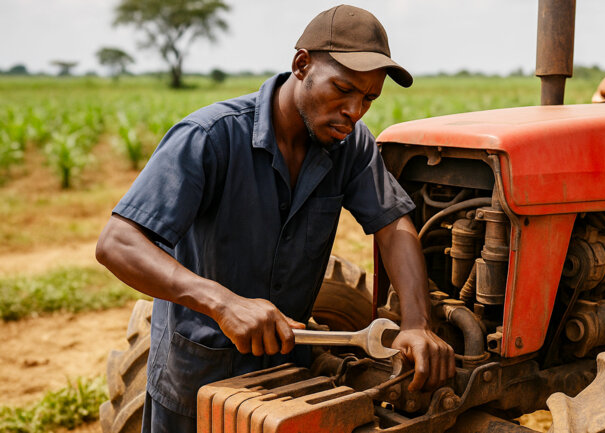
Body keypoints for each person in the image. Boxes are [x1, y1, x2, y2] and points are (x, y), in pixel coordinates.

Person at [95, 4, 455, 432]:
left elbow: (393, 225)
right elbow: (117, 242)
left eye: (369, 99)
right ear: (301, 65)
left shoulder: (350, 146)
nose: (355, 111)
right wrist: (224, 303)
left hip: (288, 380)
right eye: (343, 89)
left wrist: (416, 322)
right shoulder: (210, 137)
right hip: (199, 379)